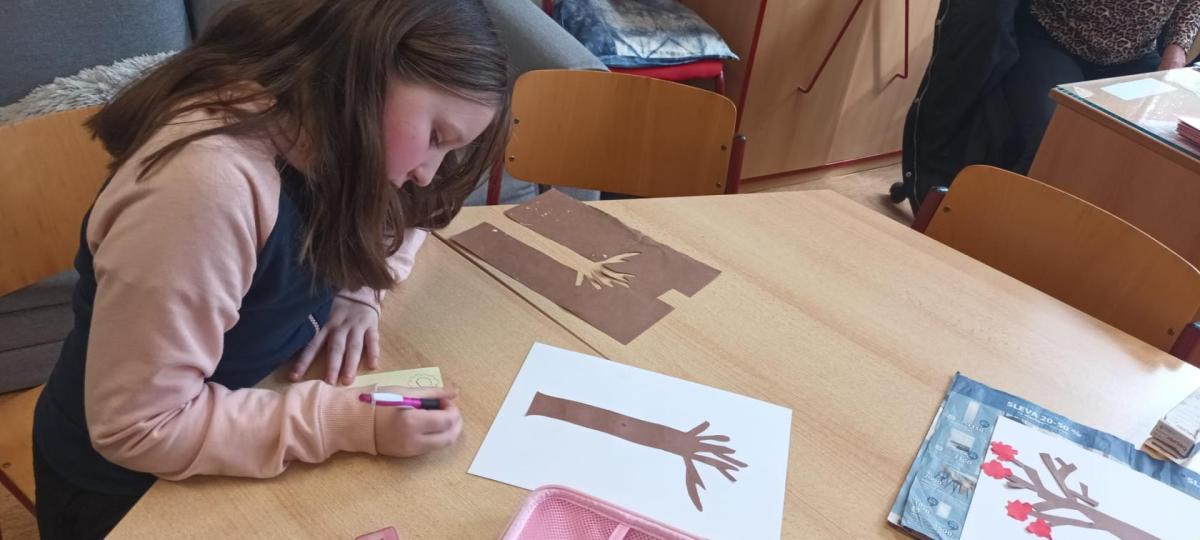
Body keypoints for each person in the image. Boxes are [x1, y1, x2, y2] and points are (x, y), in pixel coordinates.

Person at [30, 1, 511, 537]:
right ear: (361, 72)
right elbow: (139, 427)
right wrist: (349, 419)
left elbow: (412, 211)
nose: (427, 173)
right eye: (437, 136)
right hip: (128, 488)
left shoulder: (329, 134)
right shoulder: (202, 191)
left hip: (246, 413)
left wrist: (359, 290)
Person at [1005, 0, 1200, 173]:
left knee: (1166, 145)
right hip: (1056, 37)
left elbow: (1190, 5)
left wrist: (1177, 49)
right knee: (1057, 134)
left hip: (1134, 56)